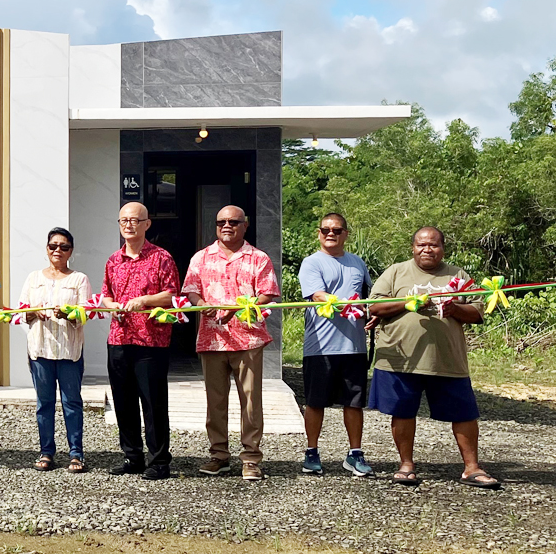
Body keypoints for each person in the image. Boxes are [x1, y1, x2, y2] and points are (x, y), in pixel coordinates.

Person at [367, 227, 499, 489]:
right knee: (403, 412)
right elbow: (374, 306)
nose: (427, 249)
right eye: (421, 245)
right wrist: (408, 303)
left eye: (434, 245)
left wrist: (454, 308)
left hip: (447, 359)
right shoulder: (396, 272)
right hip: (400, 357)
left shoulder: (458, 275)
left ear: (443, 248)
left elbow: (477, 312)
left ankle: (472, 468)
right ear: (413, 248)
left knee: (464, 414)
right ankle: (406, 465)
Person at [182, 205, 280, 481]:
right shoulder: (201, 258)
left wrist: (237, 308)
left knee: (250, 401)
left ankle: (250, 458)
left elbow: (267, 294)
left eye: (233, 222)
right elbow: (190, 290)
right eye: (221, 222)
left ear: (245, 226)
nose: (227, 226)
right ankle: (218, 455)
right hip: (212, 338)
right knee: (215, 401)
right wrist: (201, 305)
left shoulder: (258, 258)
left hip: (248, 338)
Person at [100, 203, 181, 479]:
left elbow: (173, 295)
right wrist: (112, 306)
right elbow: (106, 295)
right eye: (124, 220)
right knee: (122, 401)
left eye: (135, 220)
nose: (129, 225)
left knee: (153, 402)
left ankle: (159, 460)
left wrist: (145, 300)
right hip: (119, 338)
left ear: (147, 224)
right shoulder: (113, 260)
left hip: (151, 341)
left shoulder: (162, 258)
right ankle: (132, 455)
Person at [298, 213, 375, 477]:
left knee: (354, 403)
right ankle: (311, 451)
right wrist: (346, 305)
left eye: (337, 230)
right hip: (320, 347)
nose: (331, 234)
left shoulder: (358, 263)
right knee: (315, 402)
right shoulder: (311, 263)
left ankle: (355, 453)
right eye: (325, 230)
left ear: (346, 233)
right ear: (318, 233)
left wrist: (373, 312)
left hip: (354, 347)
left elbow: (369, 296)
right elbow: (318, 295)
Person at [19, 227, 91, 473]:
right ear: (46, 249)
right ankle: (46, 451)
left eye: (64, 247)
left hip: (69, 351)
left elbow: (85, 313)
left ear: (71, 250)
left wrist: (70, 314)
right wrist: (32, 311)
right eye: (53, 246)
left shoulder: (79, 279)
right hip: (40, 349)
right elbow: (21, 313)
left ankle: (76, 453)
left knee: (72, 402)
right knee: (44, 403)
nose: (58, 250)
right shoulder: (33, 278)